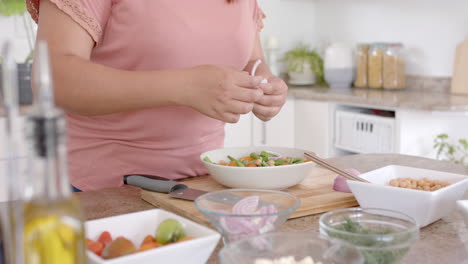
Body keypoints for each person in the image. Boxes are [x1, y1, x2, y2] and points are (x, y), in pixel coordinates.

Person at [26, 0, 288, 191]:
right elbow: (53, 79)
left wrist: (263, 81)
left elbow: (252, 58)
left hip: (203, 187)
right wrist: (185, 87)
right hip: (101, 190)